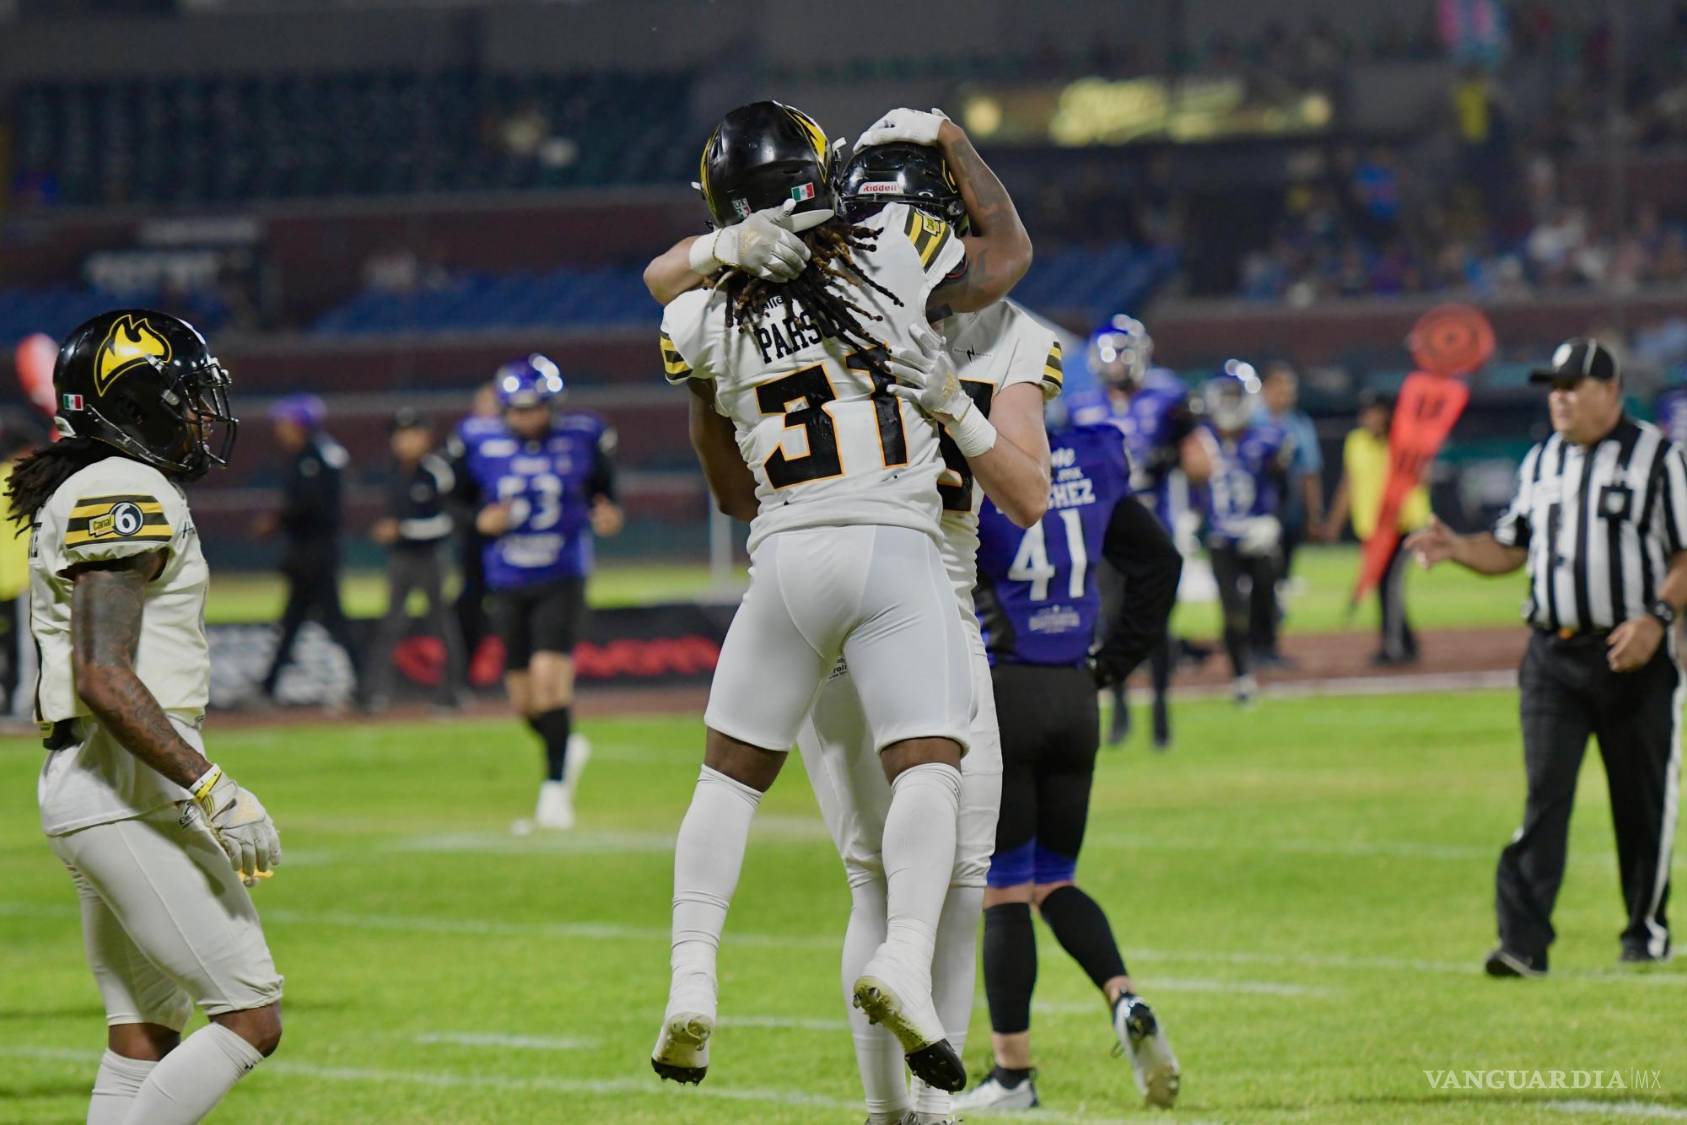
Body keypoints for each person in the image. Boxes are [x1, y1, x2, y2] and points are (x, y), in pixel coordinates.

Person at [650, 100, 989, 1099]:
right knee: (929, 761)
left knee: (725, 781)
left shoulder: (698, 315)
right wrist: (950, 144)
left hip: (784, 555)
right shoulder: (887, 248)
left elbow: (665, 289)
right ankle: (906, 957)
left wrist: (721, 249)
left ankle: (691, 977)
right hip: (891, 542)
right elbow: (1002, 254)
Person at [9, 309, 283, 1124]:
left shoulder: (95, 480)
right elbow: (102, 672)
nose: (199, 416)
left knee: (143, 1035)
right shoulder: (122, 486)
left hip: (97, 783)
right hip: (122, 785)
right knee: (248, 1016)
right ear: (134, 407)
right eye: (182, 396)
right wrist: (212, 786)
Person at [1406, 338, 1684, 973]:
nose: (1558, 397)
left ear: (1610, 392)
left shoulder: (1659, 458)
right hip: (1553, 658)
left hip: (1633, 657)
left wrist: (1657, 618)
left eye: (1572, 385)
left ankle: (1645, 928)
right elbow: (1511, 547)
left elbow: (1685, 553)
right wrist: (1457, 547)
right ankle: (1523, 944)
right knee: (1545, 797)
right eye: (1553, 385)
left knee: (1640, 800)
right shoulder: (1541, 462)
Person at [957, 406, 1183, 1112]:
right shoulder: (1090, 457)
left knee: (1003, 891)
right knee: (1053, 880)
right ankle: (1124, 995)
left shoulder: (967, 456)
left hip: (1005, 686)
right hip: (1073, 693)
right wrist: (1110, 664)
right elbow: (1160, 562)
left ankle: (1013, 1075)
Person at [452, 355, 621, 832]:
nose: (528, 418)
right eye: (519, 409)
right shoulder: (477, 441)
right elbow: (456, 502)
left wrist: (608, 513)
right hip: (506, 578)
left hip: (561, 573)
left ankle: (553, 790)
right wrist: (479, 522)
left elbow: (604, 493)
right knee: (525, 701)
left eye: (536, 408)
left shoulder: (583, 436)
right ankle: (565, 746)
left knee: (551, 678)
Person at [1077, 315, 1214, 749]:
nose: (1115, 363)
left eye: (1122, 353)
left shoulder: (1168, 398)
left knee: (1156, 625)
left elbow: (1200, 465)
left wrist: (1186, 443)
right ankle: (1118, 712)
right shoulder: (1081, 407)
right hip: (1104, 531)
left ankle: (1160, 715)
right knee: (1110, 623)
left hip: (1155, 527)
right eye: (1109, 354)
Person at [256, 393, 364, 702]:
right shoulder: (323, 453)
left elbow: (310, 505)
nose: (280, 429)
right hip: (314, 551)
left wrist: (276, 522)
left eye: (285, 422)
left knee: (331, 621)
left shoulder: (311, 457)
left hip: (314, 553)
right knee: (295, 622)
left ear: (300, 424)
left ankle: (366, 685)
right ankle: (268, 687)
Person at [1201, 361, 1293, 704]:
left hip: (1258, 533)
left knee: (1266, 597)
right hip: (1221, 536)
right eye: (1221, 396)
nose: (1226, 403)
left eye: (1232, 396)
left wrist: (1273, 522)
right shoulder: (1201, 439)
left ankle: (1263, 649)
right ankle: (1241, 676)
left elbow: (1283, 487)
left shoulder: (1269, 437)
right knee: (1230, 609)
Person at [363, 408, 464, 710]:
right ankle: (375, 694)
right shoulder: (395, 473)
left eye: (410, 435)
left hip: (431, 558)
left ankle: (452, 693)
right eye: (399, 436)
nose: (403, 442)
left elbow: (450, 520)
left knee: (442, 626)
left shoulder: (437, 471)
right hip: (401, 560)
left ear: (425, 437)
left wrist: (404, 529)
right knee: (390, 626)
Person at [1324, 391, 1427, 664]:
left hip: (1405, 526)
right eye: (1367, 412)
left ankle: (1394, 647)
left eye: (1376, 412)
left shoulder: (1403, 440)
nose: (1370, 418)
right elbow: (1348, 483)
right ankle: (1407, 641)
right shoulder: (1356, 441)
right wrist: (1335, 523)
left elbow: (1420, 474)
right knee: (1384, 584)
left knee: (1389, 583)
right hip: (1373, 529)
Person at [1253, 361, 1324, 664]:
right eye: (1279, 387)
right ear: (1264, 388)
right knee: (1255, 580)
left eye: (1289, 389)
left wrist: (1313, 515)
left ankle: (1267, 643)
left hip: (1287, 512)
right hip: (1253, 514)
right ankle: (1253, 642)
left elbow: (1309, 473)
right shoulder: (1249, 420)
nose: (1285, 394)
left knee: (1277, 582)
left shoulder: (1299, 424)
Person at [448, 383, 503, 684]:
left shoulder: (522, 439)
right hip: (478, 541)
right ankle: (461, 675)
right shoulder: (466, 440)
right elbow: (452, 496)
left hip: (518, 540)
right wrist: (477, 519)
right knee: (470, 604)